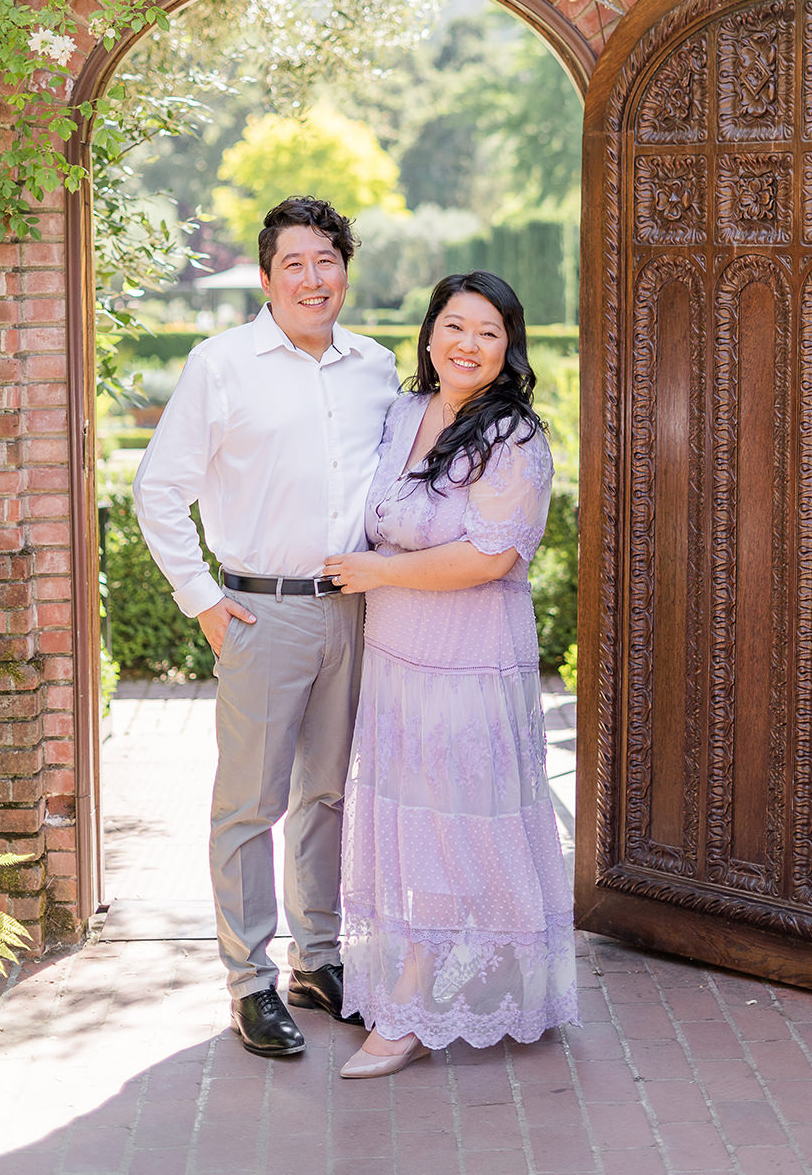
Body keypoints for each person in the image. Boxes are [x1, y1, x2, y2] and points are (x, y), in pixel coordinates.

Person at [132, 195, 399, 1058]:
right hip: (261, 611)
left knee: (330, 792)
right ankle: (249, 982)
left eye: (328, 260)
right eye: (296, 263)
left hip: (354, 608)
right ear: (266, 275)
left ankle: (317, 961)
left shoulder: (376, 366)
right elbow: (158, 490)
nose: (314, 278)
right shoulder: (222, 364)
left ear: (345, 269)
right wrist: (202, 598)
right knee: (250, 805)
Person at [324, 271, 579, 1079]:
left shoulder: (514, 439)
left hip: (469, 657)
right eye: (455, 326)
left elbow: (491, 555)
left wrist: (380, 573)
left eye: (489, 333)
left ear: (509, 352)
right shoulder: (403, 412)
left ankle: (408, 1009)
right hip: (396, 655)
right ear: (430, 333)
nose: (468, 344)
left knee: (449, 815)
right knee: (411, 811)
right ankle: (424, 979)